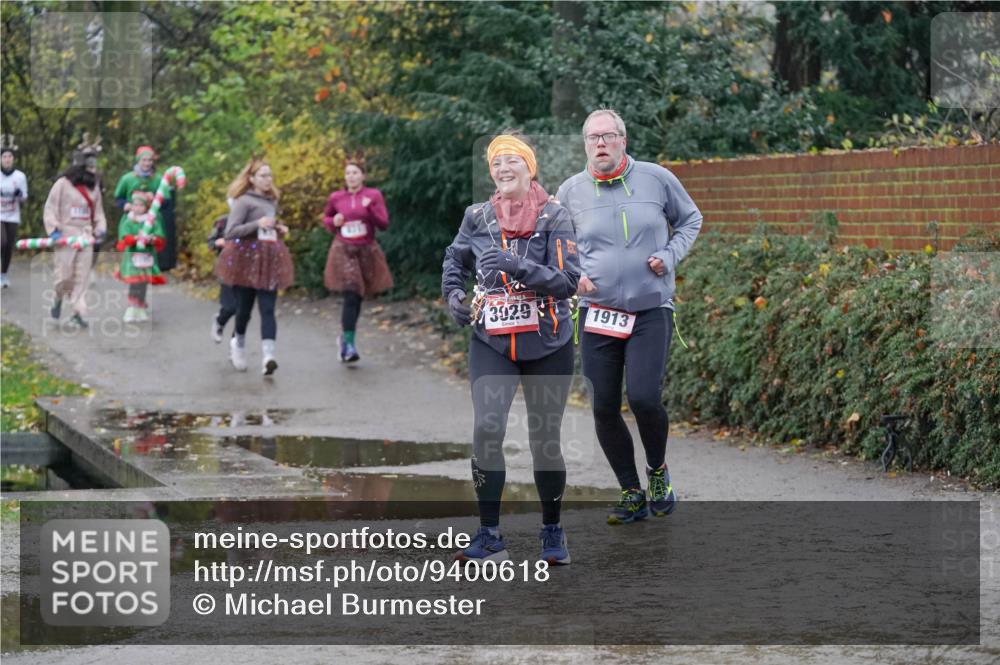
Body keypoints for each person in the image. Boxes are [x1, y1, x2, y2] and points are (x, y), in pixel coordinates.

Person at [555, 109, 702, 525]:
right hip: (597, 313)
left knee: (643, 398)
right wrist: (573, 277)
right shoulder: (569, 191)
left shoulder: (656, 178)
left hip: (650, 308)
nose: (600, 143)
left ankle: (657, 472)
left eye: (608, 136)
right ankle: (631, 491)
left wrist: (670, 256)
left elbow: (691, 219)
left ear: (623, 140)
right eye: (593, 137)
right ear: (585, 144)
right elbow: (557, 245)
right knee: (603, 406)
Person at [442, 133, 580, 564]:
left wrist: (519, 266)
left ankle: (552, 531)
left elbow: (568, 281)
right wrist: (453, 296)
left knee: (545, 439)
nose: (503, 168)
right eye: (496, 163)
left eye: (512, 161)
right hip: (492, 342)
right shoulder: (477, 216)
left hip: (548, 342)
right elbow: (454, 259)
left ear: (529, 168)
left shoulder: (555, 216)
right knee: (487, 430)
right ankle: (489, 536)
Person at [215, 158, 294, 376]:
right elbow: (231, 232)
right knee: (244, 309)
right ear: (252, 179)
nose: (268, 180)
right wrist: (256, 224)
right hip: (245, 261)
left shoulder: (272, 201)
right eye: (263, 176)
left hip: (268, 260)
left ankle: (269, 357)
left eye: (270, 175)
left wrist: (278, 229)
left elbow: (265, 230)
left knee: (268, 308)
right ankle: (238, 344)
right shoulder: (243, 202)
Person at [322, 158, 393, 362]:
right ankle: (349, 346)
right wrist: (333, 221)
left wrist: (369, 209)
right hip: (343, 249)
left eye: (355, 172)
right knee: (352, 294)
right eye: (348, 173)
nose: (351, 176)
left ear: (363, 176)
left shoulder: (373, 195)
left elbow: (384, 223)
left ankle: (345, 339)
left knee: (358, 296)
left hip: (366, 250)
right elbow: (326, 219)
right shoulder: (336, 197)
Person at [43, 140, 107, 328]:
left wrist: (100, 229)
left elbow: (99, 212)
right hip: (65, 236)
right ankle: (58, 297)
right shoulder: (62, 184)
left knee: (82, 276)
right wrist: (54, 230)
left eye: (95, 165)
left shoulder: (94, 188)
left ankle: (77, 312)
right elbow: (50, 208)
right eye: (90, 165)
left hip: (86, 236)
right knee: (64, 276)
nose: (94, 169)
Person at [113, 145, 179, 272]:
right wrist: (126, 205)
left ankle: (149, 275)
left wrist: (155, 199)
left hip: (152, 220)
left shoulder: (158, 179)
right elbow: (118, 198)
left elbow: (166, 202)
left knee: (149, 252)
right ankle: (131, 275)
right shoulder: (127, 178)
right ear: (138, 160)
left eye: (150, 160)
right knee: (131, 249)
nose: (147, 163)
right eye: (144, 160)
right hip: (132, 220)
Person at [115, 190, 166, 321]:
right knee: (135, 281)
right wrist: (136, 238)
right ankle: (132, 307)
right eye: (135, 205)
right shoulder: (129, 221)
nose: (137, 208)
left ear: (146, 207)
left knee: (143, 281)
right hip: (132, 257)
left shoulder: (151, 221)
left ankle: (140, 306)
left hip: (147, 256)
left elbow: (159, 236)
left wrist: (152, 239)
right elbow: (125, 237)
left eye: (141, 205)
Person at [1, 137, 28, 288]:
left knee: (8, 246)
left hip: (13, 215)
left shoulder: (20, 176)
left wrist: (19, 194)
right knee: (2, 241)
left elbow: (24, 198)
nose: (7, 159)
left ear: (13, 159)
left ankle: (3, 274)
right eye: (4, 156)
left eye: (9, 156)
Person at [207, 212, 237, 343]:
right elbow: (210, 242)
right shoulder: (223, 221)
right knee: (231, 307)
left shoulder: (254, 221)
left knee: (243, 311)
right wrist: (217, 242)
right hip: (227, 269)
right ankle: (220, 321)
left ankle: (236, 344)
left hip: (247, 271)